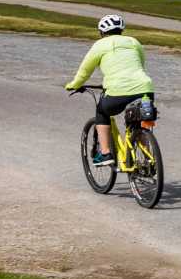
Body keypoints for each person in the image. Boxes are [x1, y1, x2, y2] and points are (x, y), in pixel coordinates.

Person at [64, 14, 155, 167]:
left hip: (117, 90)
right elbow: (140, 64)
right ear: (121, 30)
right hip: (145, 87)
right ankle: (148, 159)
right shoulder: (134, 42)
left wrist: (74, 84)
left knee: (102, 111)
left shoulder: (99, 45)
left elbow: (85, 71)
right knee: (137, 122)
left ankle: (106, 153)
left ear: (101, 32)